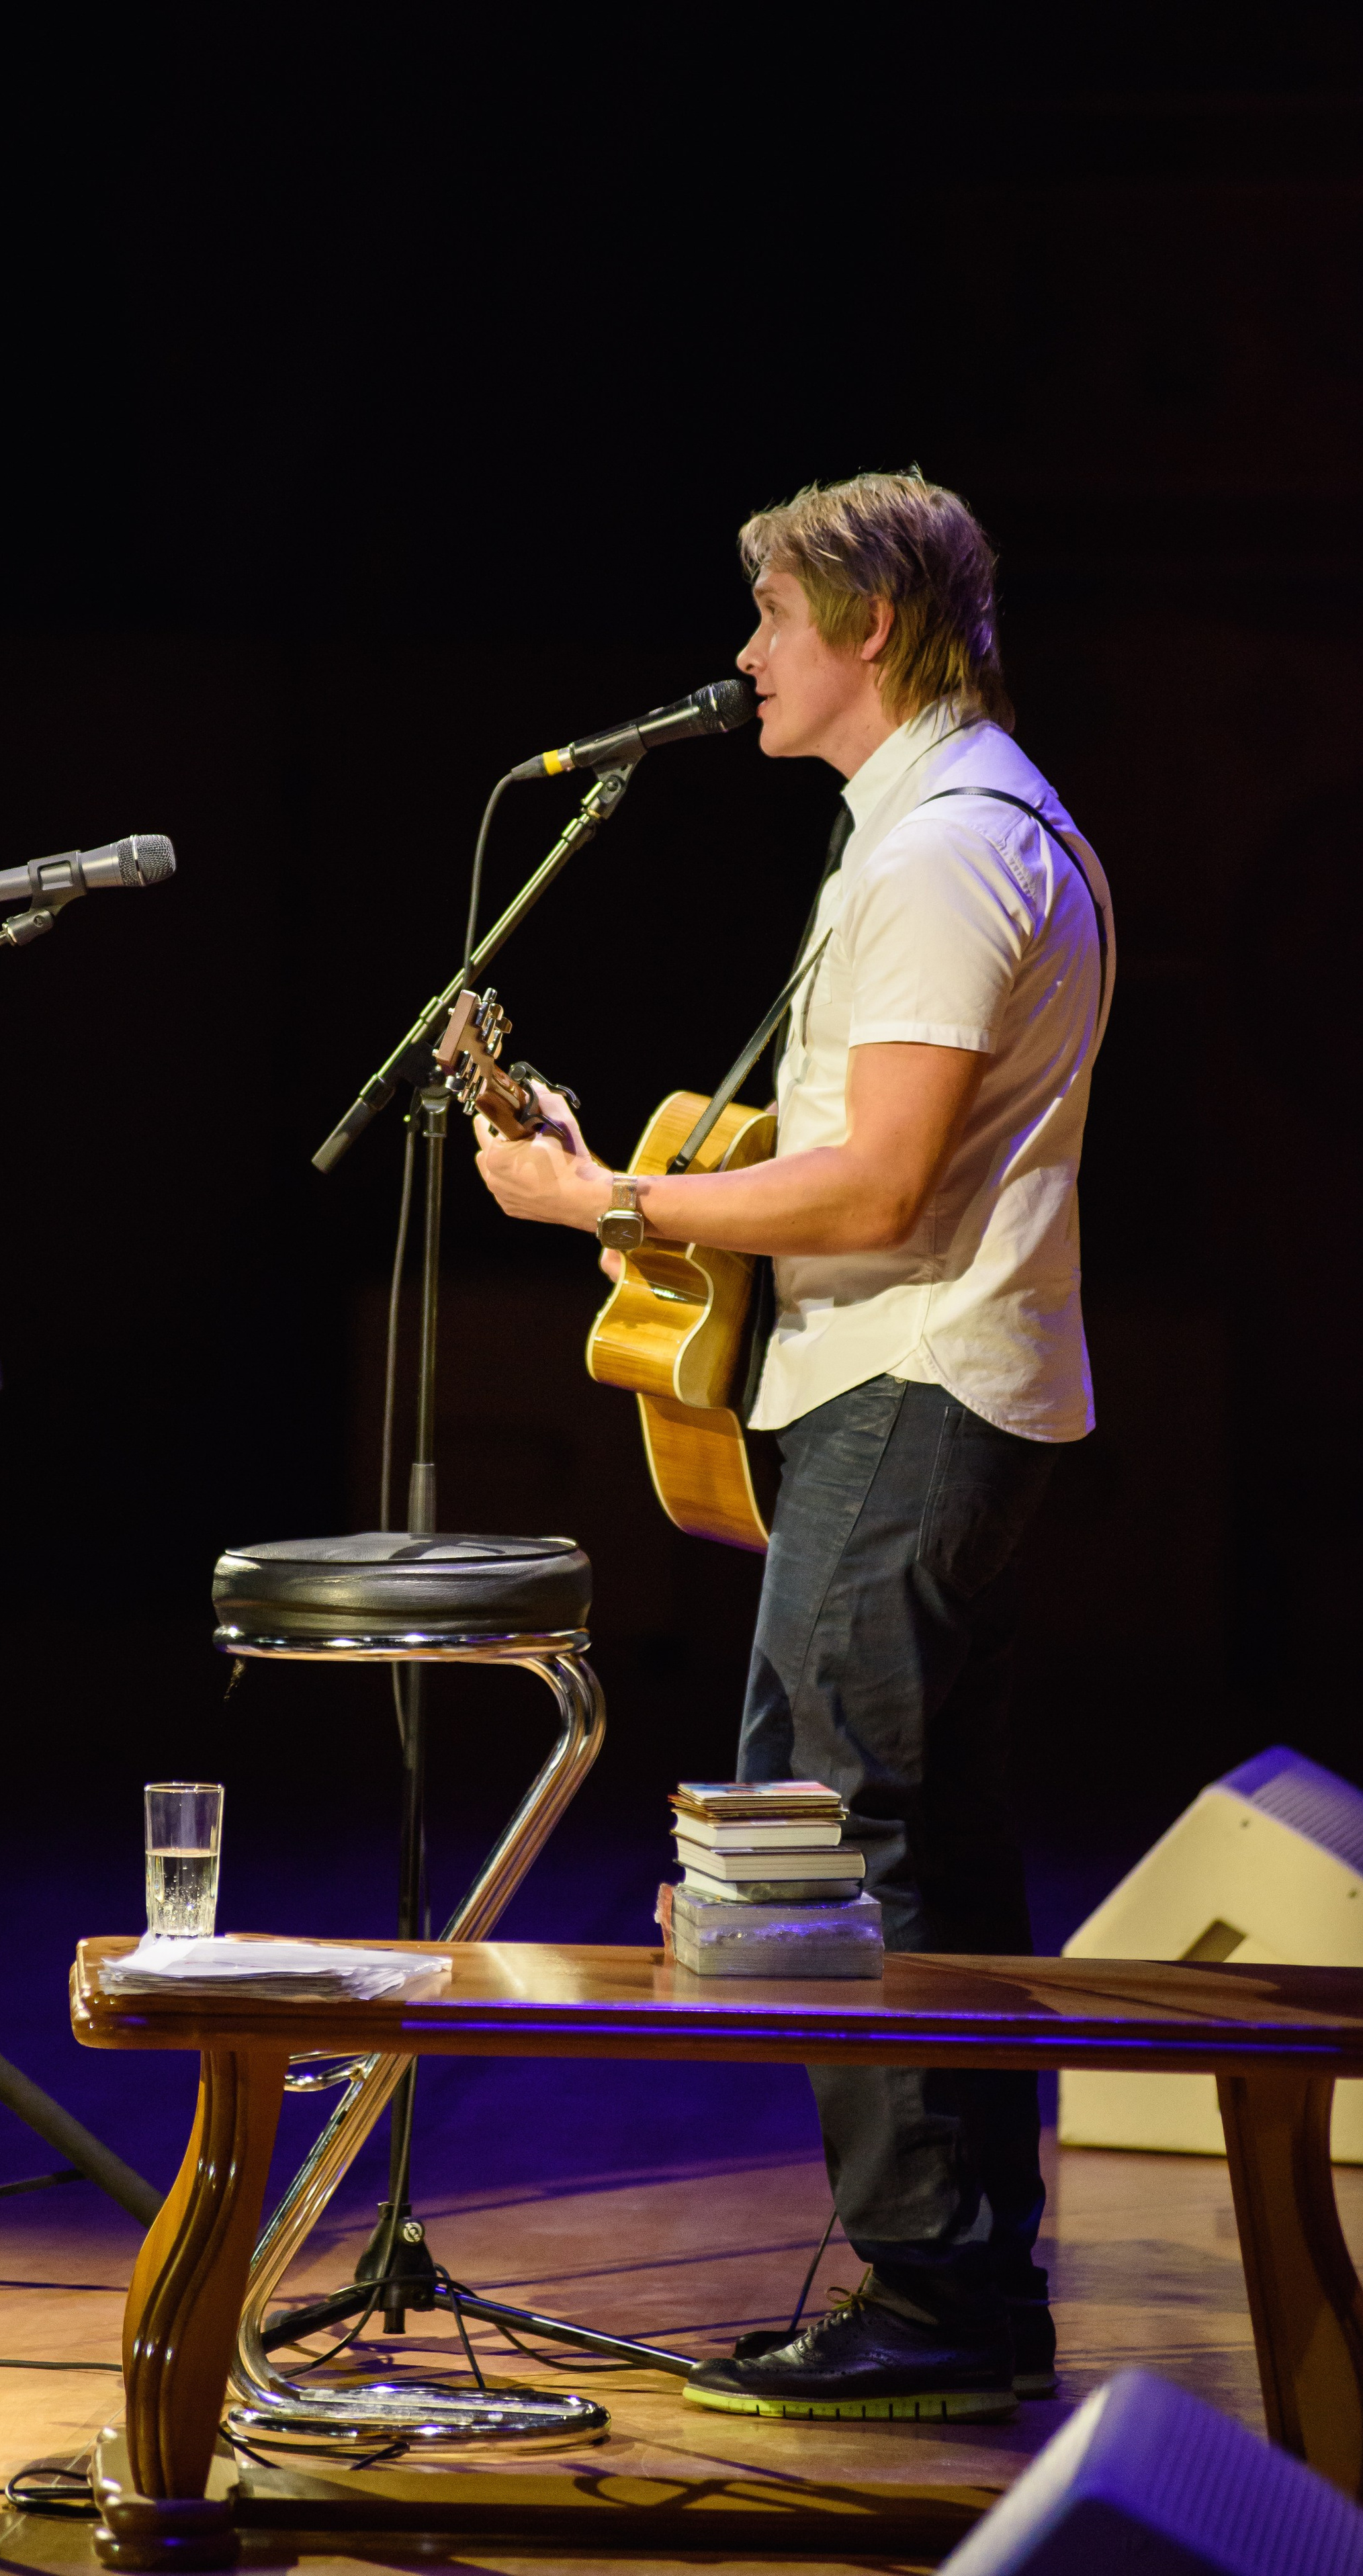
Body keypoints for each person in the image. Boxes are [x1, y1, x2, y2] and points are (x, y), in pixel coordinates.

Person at [471, 470, 1112, 2422]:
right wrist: (635, 1177)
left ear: (872, 634)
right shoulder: (933, 828)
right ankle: (966, 2271)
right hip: (928, 1385)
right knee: (919, 1828)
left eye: (771, 621)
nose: (745, 657)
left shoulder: (942, 852)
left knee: (843, 1837)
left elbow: (891, 1177)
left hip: (919, 1383)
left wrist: (606, 1211)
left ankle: (933, 2290)